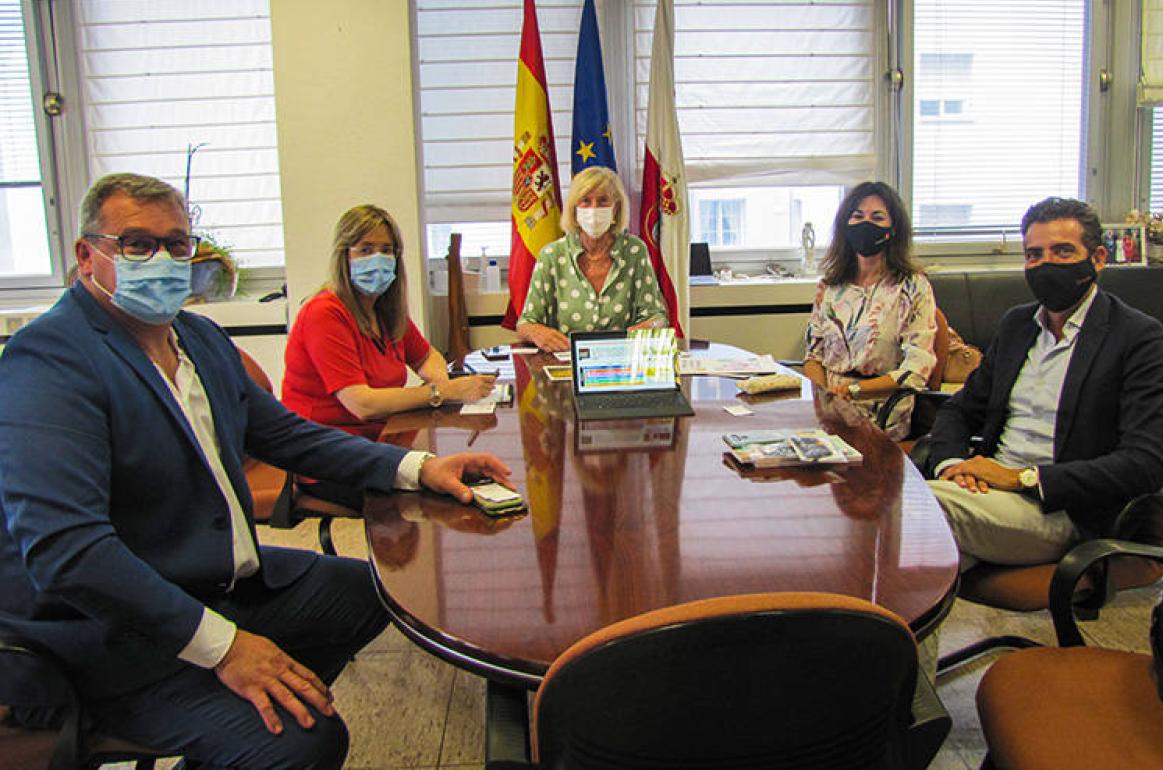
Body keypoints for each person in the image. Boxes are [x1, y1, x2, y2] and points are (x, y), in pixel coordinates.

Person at [0, 173, 513, 769]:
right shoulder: (48, 361)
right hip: (111, 635)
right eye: (137, 245)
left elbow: (287, 436)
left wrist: (418, 466)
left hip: (212, 577)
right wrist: (226, 650)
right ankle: (234, 707)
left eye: (177, 244)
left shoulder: (196, 337)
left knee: (373, 591)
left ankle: (245, 710)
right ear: (88, 255)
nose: (162, 260)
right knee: (307, 742)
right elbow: (69, 554)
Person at [925, 197, 1163, 571]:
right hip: (981, 495)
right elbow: (960, 409)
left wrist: (1022, 478)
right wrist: (952, 464)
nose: (1046, 265)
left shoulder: (1136, 335)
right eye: (1034, 254)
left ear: (1099, 259)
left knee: (904, 511)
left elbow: (1144, 464)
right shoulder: (1017, 325)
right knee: (920, 564)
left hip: (1059, 510)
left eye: (1062, 251)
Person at [283, 205, 496, 506]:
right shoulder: (324, 314)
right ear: (344, 256)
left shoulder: (383, 309)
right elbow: (362, 404)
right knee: (444, 490)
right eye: (365, 249)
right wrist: (442, 392)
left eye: (387, 250)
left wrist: (439, 384)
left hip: (380, 439)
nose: (377, 259)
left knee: (459, 470)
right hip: (327, 455)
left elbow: (427, 357)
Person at [803, 181, 938, 440]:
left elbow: (916, 371)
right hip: (829, 412)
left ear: (893, 229)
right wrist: (823, 399)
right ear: (845, 225)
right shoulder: (830, 287)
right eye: (857, 216)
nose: (866, 224)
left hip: (882, 414)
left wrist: (854, 391)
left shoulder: (912, 287)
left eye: (877, 217)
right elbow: (813, 356)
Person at [516, 167, 668, 352]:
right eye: (585, 201)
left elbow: (657, 316)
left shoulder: (634, 251)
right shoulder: (552, 255)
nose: (594, 209)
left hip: (622, 361)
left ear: (616, 207)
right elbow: (525, 324)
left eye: (603, 201)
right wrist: (538, 333)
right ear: (574, 208)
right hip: (565, 363)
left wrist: (644, 329)